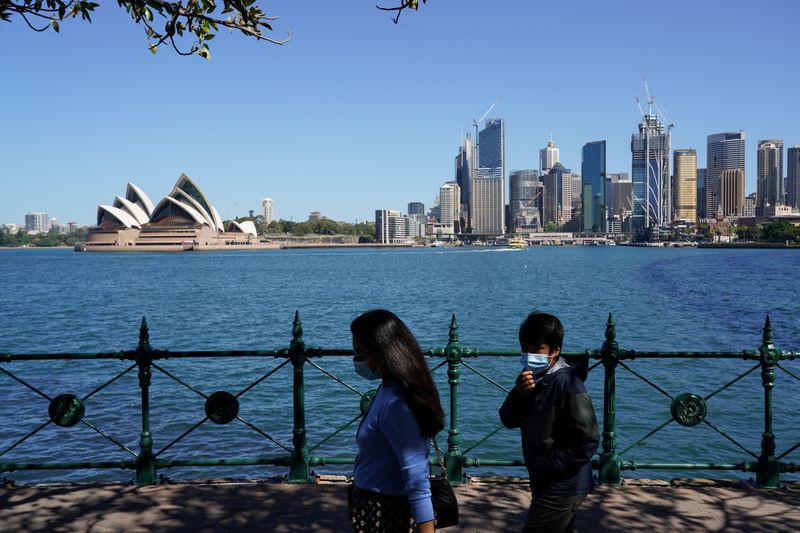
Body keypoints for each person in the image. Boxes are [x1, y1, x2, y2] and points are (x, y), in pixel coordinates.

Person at [499, 312, 599, 533]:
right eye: (524, 348)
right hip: (544, 481)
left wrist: (549, 466)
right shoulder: (533, 378)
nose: (528, 355)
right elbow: (508, 419)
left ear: (555, 351)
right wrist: (519, 394)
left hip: (563, 484)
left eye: (536, 349)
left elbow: (588, 441)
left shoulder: (568, 384)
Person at [349, 309, 445, 533]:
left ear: (381, 353)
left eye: (360, 352)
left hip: (386, 513)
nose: (355, 360)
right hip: (371, 506)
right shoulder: (387, 389)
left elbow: (417, 480)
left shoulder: (397, 405)